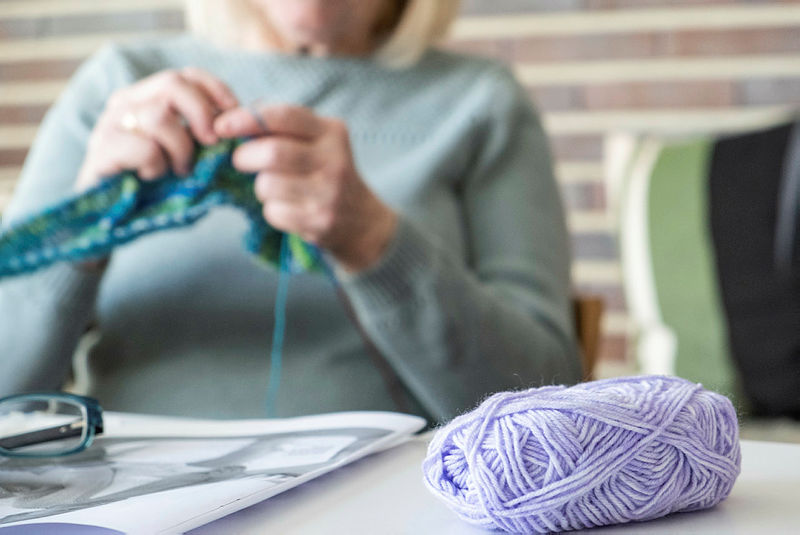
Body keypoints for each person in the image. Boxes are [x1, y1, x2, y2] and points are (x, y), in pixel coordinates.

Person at [0, 0, 581, 423]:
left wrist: (376, 244)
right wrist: (79, 230)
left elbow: (549, 403)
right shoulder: (121, 87)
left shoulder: (482, 102)